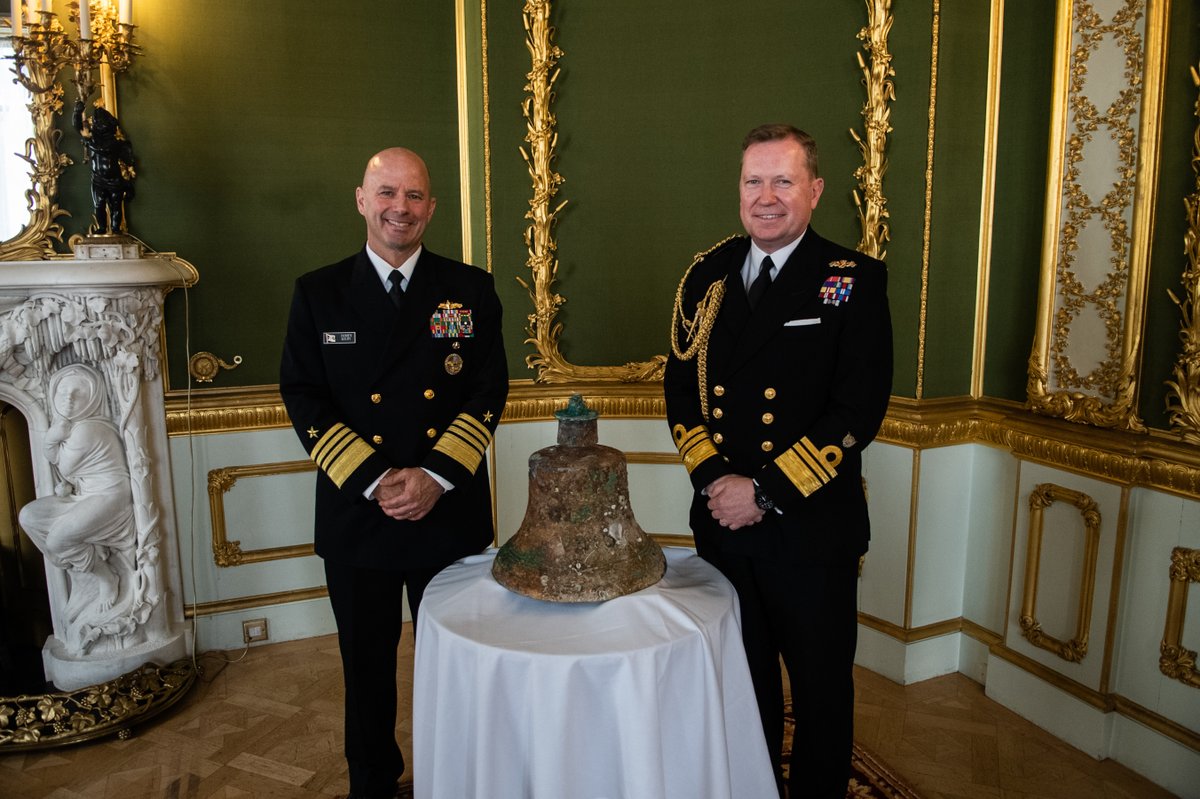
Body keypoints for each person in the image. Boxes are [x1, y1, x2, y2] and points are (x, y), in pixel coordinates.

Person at [664, 124, 893, 798]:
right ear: (739, 191)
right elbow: (682, 392)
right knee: (744, 681)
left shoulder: (851, 280)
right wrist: (715, 482)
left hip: (809, 530)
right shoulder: (706, 275)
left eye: (783, 181)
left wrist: (762, 491)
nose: (767, 197)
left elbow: (857, 411)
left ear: (814, 190)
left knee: (821, 691)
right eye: (753, 181)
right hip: (725, 529)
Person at [279, 147, 508, 799]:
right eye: (387, 193)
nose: (399, 208)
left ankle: (459, 777)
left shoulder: (468, 290)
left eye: (413, 196)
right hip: (361, 514)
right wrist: (378, 478)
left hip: (448, 510)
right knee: (367, 668)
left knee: (458, 661)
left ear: (431, 208)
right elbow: (303, 394)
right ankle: (373, 784)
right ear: (361, 199)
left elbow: (487, 390)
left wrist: (435, 474)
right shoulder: (318, 294)